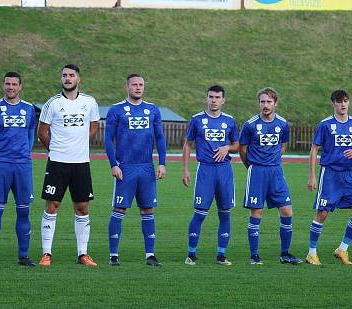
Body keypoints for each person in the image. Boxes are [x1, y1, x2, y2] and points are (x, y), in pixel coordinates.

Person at [37, 64, 100, 267]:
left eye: (71, 75)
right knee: (52, 205)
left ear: (78, 79)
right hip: (57, 162)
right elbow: (42, 132)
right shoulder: (52, 104)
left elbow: (94, 124)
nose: (67, 78)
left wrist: (82, 143)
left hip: (81, 163)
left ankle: (83, 254)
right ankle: (47, 253)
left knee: (82, 207)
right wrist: (55, 149)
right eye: (64, 75)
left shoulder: (89, 102)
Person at [104, 73, 167, 267]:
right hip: (125, 167)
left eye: (141, 85)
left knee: (148, 209)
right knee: (119, 209)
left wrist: (162, 163)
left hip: (147, 168)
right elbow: (108, 139)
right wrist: (113, 164)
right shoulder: (116, 110)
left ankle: (150, 255)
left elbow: (160, 138)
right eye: (134, 85)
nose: (138, 88)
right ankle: (113, 255)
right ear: (127, 87)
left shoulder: (152, 110)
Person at [0, 72, 38, 267]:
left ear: (20, 86)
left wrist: (25, 153)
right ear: (3, 85)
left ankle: (23, 256)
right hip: (1, 165)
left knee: (24, 211)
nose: (10, 87)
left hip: (22, 166)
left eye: (14, 84)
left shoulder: (29, 109)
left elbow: (31, 134)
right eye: (7, 84)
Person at [239, 87, 302, 265]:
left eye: (268, 102)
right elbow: (243, 150)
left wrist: (274, 159)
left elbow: (283, 144)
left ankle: (285, 253)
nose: (265, 105)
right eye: (262, 102)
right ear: (259, 103)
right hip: (257, 171)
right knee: (257, 212)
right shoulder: (250, 125)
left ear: (275, 103)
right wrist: (251, 166)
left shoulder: (282, 123)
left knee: (287, 210)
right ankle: (254, 256)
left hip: (276, 171)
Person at [304, 90, 352, 266]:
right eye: (339, 101)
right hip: (329, 173)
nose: (343, 104)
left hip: (348, 175)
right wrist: (312, 175)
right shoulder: (325, 125)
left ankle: (342, 249)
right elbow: (314, 149)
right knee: (322, 213)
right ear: (333, 103)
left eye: (346, 101)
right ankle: (311, 253)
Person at [181, 85, 239, 266]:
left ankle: (221, 255)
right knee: (199, 214)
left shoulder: (229, 121)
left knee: (225, 213)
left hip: (224, 171)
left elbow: (237, 144)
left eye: (217, 97)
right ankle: (191, 253)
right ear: (207, 98)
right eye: (211, 97)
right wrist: (185, 169)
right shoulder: (197, 120)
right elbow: (188, 144)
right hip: (205, 170)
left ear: (223, 100)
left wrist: (227, 147)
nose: (213, 100)